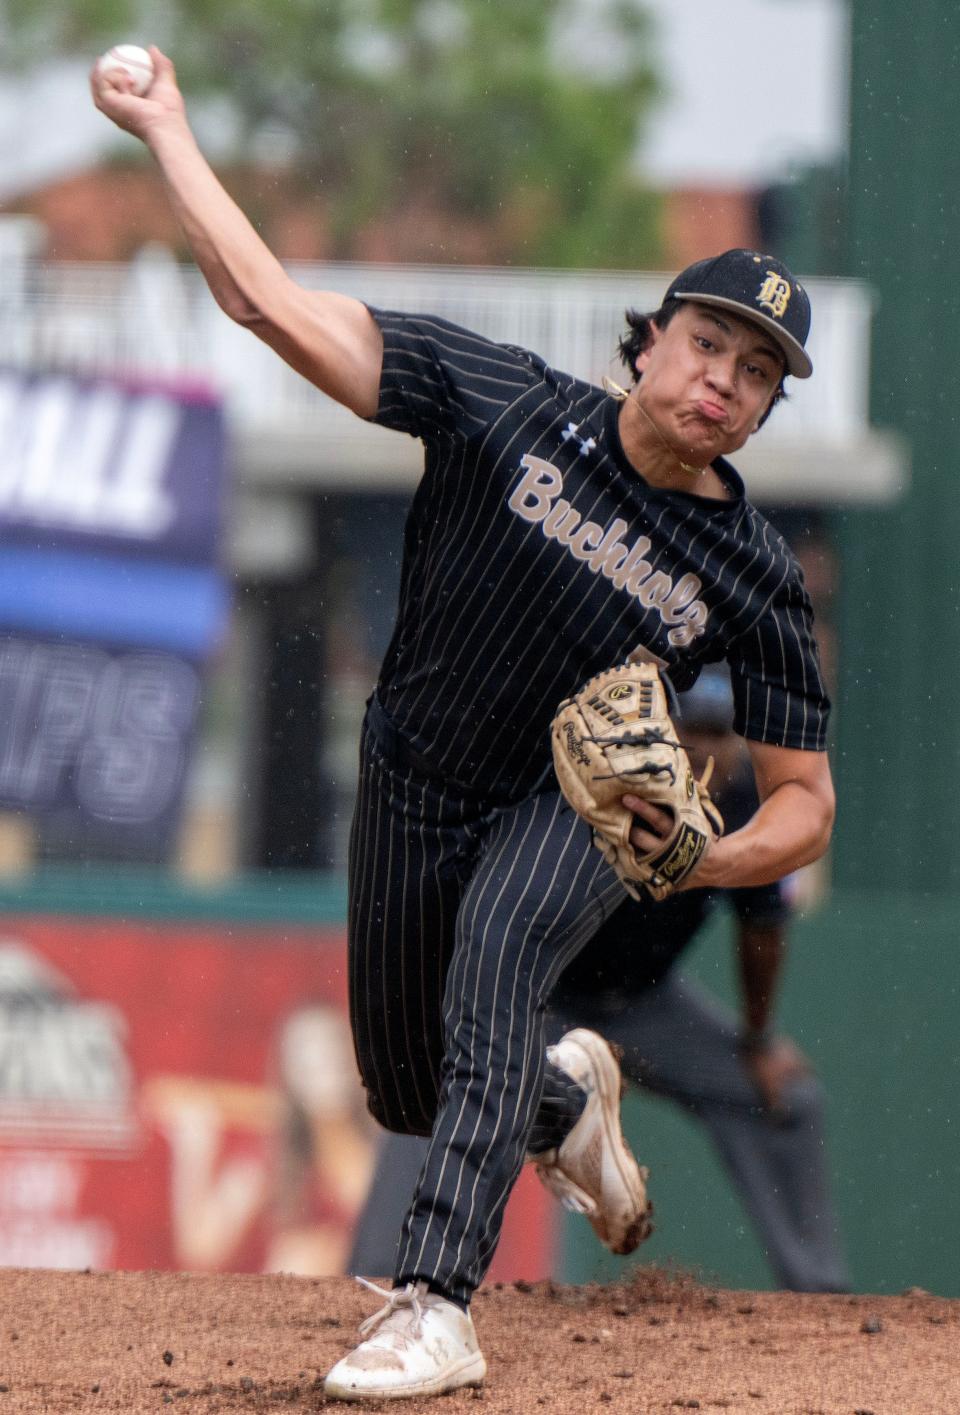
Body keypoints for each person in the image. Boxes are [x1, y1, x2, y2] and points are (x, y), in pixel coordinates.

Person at [92, 51, 836, 1403]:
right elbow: (261, 299)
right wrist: (169, 130)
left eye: (760, 372)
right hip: (414, 769)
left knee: (501, 946)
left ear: (772, 405)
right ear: (654, 336)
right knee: (407, 1082)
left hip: (574, 804)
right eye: (712, 343)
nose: (727, 380)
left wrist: (700, 859)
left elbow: (806, 801)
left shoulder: (755, 573)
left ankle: (436, 1299)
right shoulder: (500, 398)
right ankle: (568, 1105)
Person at [349, 667, 849, 1294]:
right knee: (449, 1083)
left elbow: (761, 928)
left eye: (721, 735)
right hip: (542, 994)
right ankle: (371, 1274)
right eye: (688, 732)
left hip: (646, 1004)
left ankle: (820, 1301)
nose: (702, 752)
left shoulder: (738, 797)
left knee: (788, 1101)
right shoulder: (597, 780)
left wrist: (757, 1040)